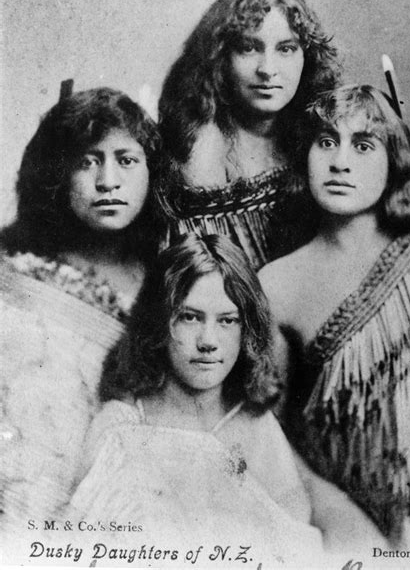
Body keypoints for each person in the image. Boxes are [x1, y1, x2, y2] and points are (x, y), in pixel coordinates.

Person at [68, 234, 384, 567]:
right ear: (160, 322)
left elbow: (296, 550)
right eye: (190, 317)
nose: (208, 341)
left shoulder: (257, 428)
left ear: (246, 330)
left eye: (227, 320)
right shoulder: (120, 428)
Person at [258, 85, 410, 550]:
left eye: (363, 144)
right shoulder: (278, 286)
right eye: (326, 141)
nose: (340, 162)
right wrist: (332, 512)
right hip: (377, 529)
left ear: (393, 159)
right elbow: (262, 432)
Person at [158, 0, 410, 270]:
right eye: (249, 47)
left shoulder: (324, 130)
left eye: (286, 49)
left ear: (307, 57)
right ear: (219, 58)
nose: (268, 69)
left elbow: (377, 211)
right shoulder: (203, 144)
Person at [0, 87, 166, 540]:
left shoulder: (173, 275)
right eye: (87, 161)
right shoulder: (16, 275)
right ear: (56, 173)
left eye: (126, 160)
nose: (107, 180)